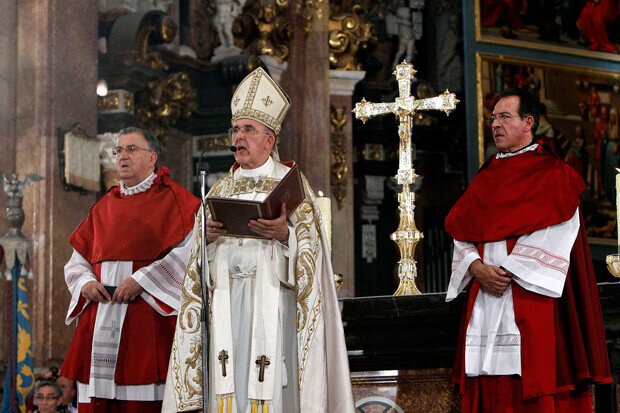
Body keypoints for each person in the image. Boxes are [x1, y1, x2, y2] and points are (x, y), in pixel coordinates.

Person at [163, 67, 354, 412]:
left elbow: (314, 253)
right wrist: (204, 242)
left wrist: (286, 237)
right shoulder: (218, 188)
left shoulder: (292, 185)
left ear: (269, 140)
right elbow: (196, 265)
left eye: (248, 130)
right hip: (225, 304)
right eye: (235, 129)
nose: (238, 137)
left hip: (273, 303)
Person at [445, 89, 611, 411]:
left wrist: (505, 273)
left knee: (533, 386)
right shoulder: (485, 176)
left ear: (528, 123)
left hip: (530, 296)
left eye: (505, 117)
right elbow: (461, 230)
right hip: (486, 295)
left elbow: (559, 232)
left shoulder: (555, 175)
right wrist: (477, 268)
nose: (495, 124)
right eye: (493, 118)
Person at [60, 127, 201, 412]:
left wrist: (142, 281)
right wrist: (85, 283)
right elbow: (77, 262)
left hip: (146, 317)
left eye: (131, 149)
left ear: (152, 158)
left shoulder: (177, 200)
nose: (123, 156)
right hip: (99, 316)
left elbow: (192, 254)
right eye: (119, 150)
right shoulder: (104, 205)